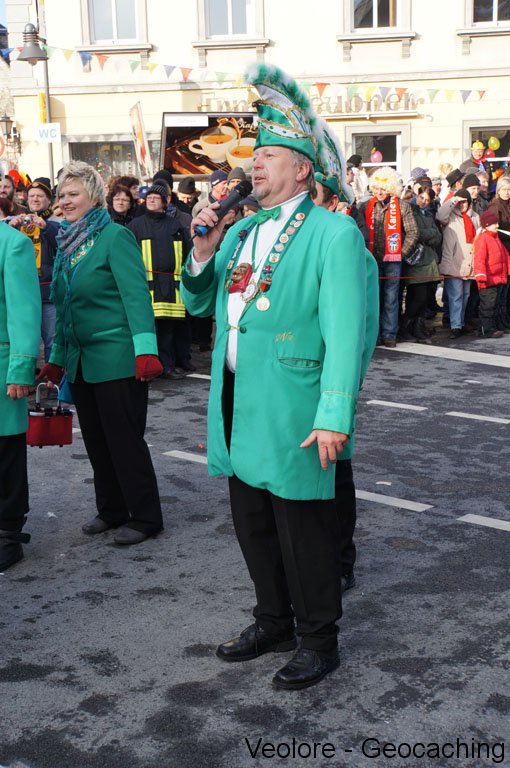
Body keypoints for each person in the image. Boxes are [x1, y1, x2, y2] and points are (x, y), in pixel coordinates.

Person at [181, 64, 373, 690]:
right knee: (253, 521)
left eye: (268, 155)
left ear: (302, 169)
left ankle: (319, 638)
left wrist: (334, 413)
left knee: (304, 529)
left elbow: (345, 333)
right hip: (236, 398)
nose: (255, 164)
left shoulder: (334, 234)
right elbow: (198, 302)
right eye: (256, 154)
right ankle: (273, 620)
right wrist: (202, 249)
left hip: (295, 403)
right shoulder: (241, 229)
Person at [39, 161, 164, 546]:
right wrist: (57, 358)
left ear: (93, 196)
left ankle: (146, 517)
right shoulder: (68, 244)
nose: (65, 201)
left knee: (124, 441)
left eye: (73, 193)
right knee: (96, 441)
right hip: (82, 362)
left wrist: (146, 350)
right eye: (62, 195)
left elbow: (136, 296)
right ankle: (111, 510)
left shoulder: (114, 237)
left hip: (117, 358)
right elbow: (65, 308)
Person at [313, 127, 379, 593]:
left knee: (335, 478)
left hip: (329, 384)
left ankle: (339, 561)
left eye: (313, 198)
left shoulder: (353, 252)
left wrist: (342, 390)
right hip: (291, 387)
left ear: (333, 201)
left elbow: (361, 335)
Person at [0, 226, 41, 571]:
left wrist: (21, 367)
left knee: (5, 453)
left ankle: (7, 536)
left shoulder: (13, 244)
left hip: (1, 366)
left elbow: (24, 310)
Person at [128, 182, 193, 378]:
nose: (151, 200)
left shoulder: (176, 226)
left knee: (167, 330)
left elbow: (187, 253)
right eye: (149, 197)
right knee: (147, 329)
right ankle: (147, 367)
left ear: (165, 202)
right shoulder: (135, 225)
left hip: (171, 288)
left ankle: (167, 366)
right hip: (146, 287)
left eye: (156, 197)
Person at [356, 167, 419, 347]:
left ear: (391, 188)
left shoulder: (403, 206)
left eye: (383, 189)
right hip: (371, 259)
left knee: (391, 298)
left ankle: (389, 334)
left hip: (393, 260)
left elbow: (413, 232)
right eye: (376, 188)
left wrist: (400, 254)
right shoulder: (365, 206)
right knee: (372, 298)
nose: (379, 192)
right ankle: (374, 335)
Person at [8, 177, 60, 362]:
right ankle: (26, 377)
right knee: (25, 342)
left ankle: (54, 377)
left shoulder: (57, 222)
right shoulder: (17, 221)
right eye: (31, 196)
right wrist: (9, 229)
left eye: (40, 196)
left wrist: (46, 228)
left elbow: (64, 247)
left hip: (48, 294)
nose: (35, 199)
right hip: (23, 293)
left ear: (49, 199)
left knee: (52, 341)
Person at [436, 189, 480, 338]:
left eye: (464, 202)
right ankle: (455, 326)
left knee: (465, 295)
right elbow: (439, 215)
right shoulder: (450, 216)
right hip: (453, 262)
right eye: (459, 202)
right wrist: (454, 200)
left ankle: (460, 323)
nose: (461, 205)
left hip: (469, 262)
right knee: (455, 296)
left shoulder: (475, 217)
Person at [401, 187, 442, 342]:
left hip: (429, 260)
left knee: (423, 299)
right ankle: (406, 326)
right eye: (421, 198)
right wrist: (431, 233)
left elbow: (438, 237)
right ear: (416, 196)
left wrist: (430, 235)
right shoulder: (411, 211)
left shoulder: (429, 214)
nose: (423, 202)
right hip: (417, 260)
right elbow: (416, 233)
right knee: (418, 296)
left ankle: (416, 328)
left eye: (427, 200)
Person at [473, 209, 507, 339]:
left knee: (495, 305)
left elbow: (505, 256)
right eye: (494, 223)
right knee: (487, 306)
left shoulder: (495, 238)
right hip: (488, 281)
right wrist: (481, 275)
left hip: (498, 278)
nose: (497, 225)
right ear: (486, 225)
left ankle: (494, 327)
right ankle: (486, 330)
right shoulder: (483, 239)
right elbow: (479, 259)